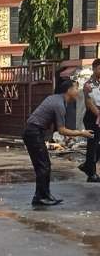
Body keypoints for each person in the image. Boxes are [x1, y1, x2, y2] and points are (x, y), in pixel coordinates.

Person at [24, 80, 94, 208]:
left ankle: (45, 195)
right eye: (75, 88)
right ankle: (40, 197)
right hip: (33, 132)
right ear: (68, 90)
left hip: (34, 132)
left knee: (45, 165)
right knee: (43, 166)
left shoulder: (57, 99)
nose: (77, 91)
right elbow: (62, 130)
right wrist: (81, 133)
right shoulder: (59, 104)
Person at [79, 59, 100, 182]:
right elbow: (89, 103)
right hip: (92, 116)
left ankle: (87, 165)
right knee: (93, 144)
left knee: (97, 144)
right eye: (99, 68)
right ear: (94, 69)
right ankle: (91, 174)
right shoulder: (88, 85)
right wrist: (98, 114)